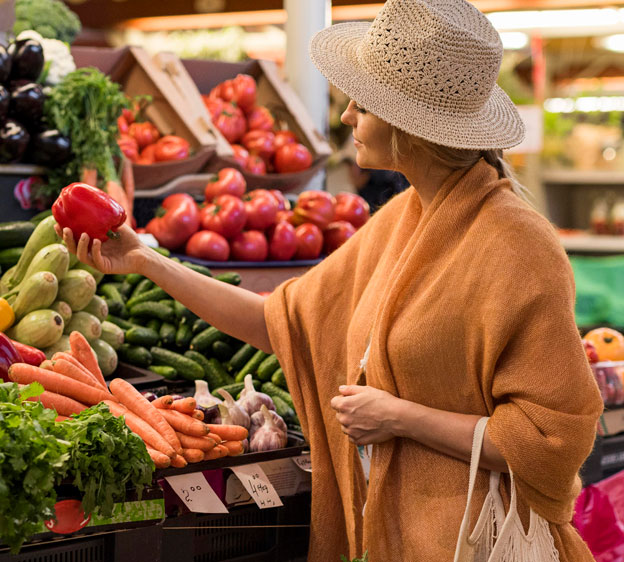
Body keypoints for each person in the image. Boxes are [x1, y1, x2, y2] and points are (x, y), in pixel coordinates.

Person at [58, 1, 603, 560]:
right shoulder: (401, 220)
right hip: (395, 540)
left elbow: (550, 441)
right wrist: (147, 259)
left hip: (474, 545)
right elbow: (281, 321)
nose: (345, 118)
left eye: (361, 105)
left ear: (409, 126)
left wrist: (399, 417)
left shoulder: (519, 246)